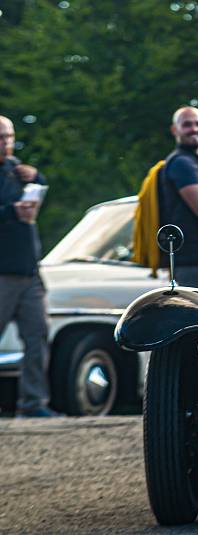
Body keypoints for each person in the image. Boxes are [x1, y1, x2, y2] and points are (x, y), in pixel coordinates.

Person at [0, 115, 57, 417]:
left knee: (37, 336)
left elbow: (40, 186)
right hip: (2, 273)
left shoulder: (15, 168)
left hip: (29, 271)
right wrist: (11, 212)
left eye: (8, 136)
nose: (6, 143)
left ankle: (33, 404)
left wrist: (37, 176)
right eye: (0, 137)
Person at [158, 106, 198, 289]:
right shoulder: (182, 163)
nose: (195, 129)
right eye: (187, 125)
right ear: (174, 130)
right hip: (192, 262)